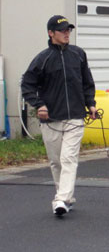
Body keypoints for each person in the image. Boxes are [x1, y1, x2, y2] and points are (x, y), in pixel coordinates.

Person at [21, 15, 96, 216]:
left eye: (68, 30)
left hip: (75, 116)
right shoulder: (42, 59)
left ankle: (61, 199)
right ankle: (66, 198)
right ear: (51, 33)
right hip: (51, 119)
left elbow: (87, 83)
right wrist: (39, 105)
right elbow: (27, 85)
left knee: (69, 158)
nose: (66, 33)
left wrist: (91, 104)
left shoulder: (79, 54)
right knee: (56, 161)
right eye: (62, 30)